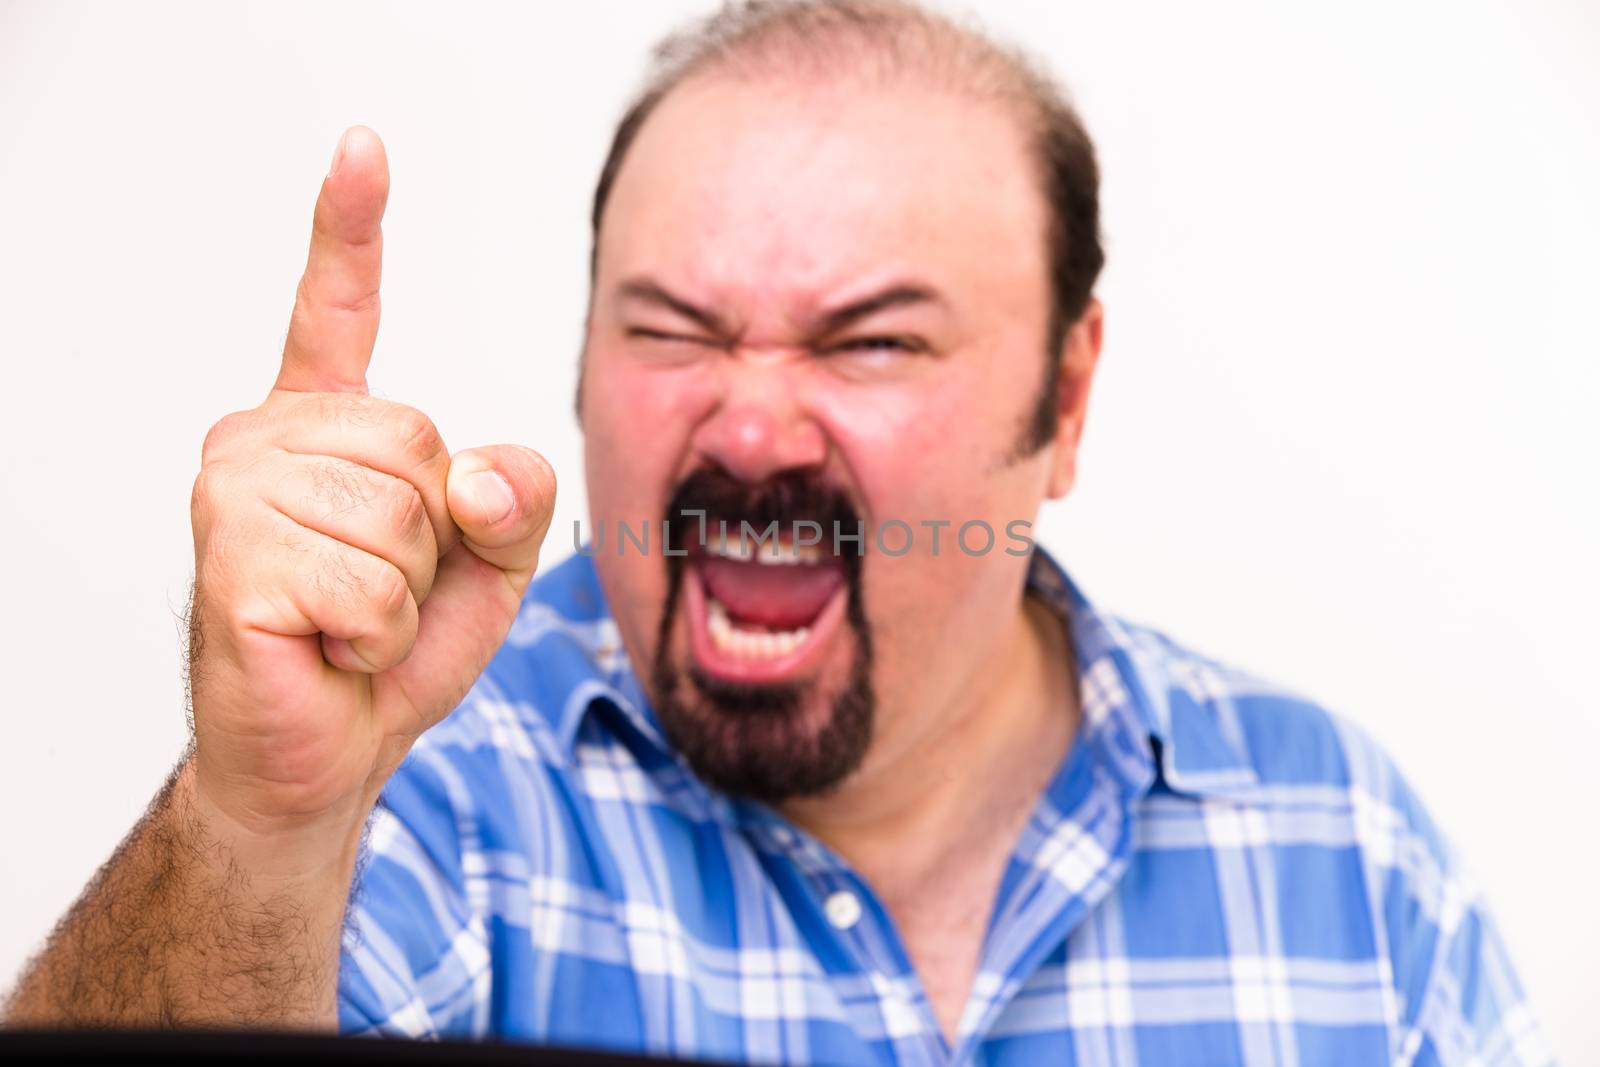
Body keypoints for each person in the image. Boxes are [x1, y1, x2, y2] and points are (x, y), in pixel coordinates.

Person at [3, 2, 1553, 1064]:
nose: (748, 430)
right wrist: (259, 824)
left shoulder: (1348, 857)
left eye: (873, 344)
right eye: (672, 330)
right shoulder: (423, 805)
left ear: (1065, 401)